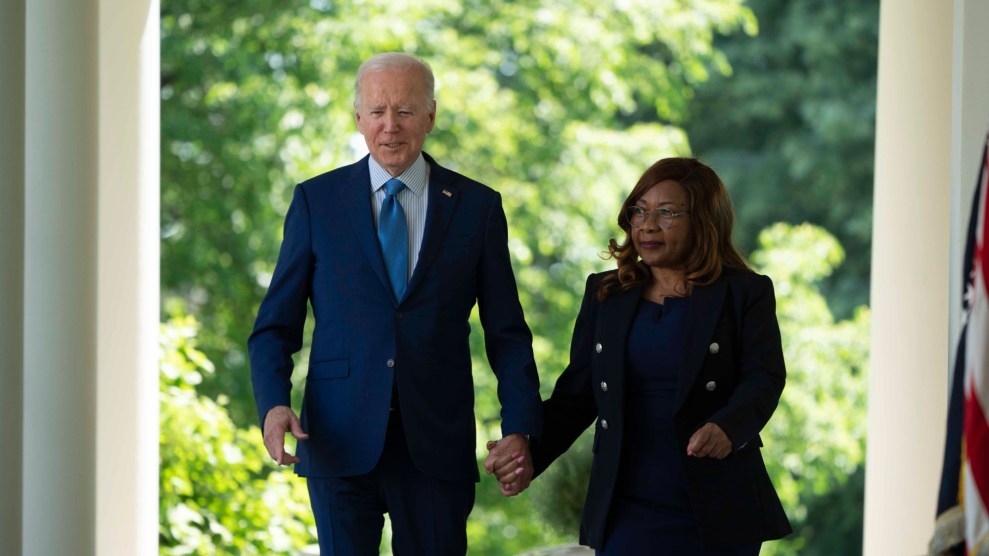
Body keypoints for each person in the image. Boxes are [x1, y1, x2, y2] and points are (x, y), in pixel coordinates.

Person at [248, 52, 542, 555]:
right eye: (378, 111)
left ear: (430, 116)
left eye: (405, 111)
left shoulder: (478, 207)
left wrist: (520, 428)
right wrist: (274, 403)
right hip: (338, 439)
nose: (391, 126)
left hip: (436, 442)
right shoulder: (316, 202)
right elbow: (275, 325)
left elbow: (508, 334)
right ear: (358, 117)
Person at [487, 157, 792, 553]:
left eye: (666, 212)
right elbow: (577, 397)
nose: (647, 224)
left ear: (703, 220)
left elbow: (764, 377)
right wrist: (527, 448)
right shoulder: (606, 294)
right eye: (639, 211)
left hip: (714, 507)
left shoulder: (744, 293)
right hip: (625, 509)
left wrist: (730, 428)